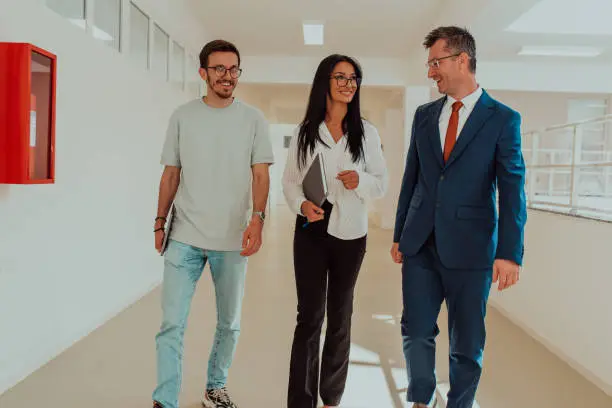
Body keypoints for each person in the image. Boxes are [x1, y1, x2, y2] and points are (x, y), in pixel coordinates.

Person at [391, 26, 527, 408]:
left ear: (462, 60)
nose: (430, 72)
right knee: (415, 330)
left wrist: (510, 252)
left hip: (472, 249)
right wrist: (400, 233)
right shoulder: (424, 115)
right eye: (429, 64)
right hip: (420, 243)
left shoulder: (502, 119)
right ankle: (420, 399)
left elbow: (513, 189)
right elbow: (412, 177)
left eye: (436, 63)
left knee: (466, 341)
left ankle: (460, 403)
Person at [151, 39, 274, 408]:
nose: (227, 76)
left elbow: (261, 175)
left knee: (229, 324)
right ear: (203, 73)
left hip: (233, 238)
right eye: (219, 68)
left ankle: (214, 388)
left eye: (233, 69)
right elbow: (171, 175)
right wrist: (159, 222)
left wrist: (259, 218)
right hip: (184, 236)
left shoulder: (253, 119)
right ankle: (165, 400)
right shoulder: (182, 116)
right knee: (171, 324)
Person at [282, 54, 388, 408]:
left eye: (353, 77)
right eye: (340, 77)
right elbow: (291, 183)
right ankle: (301, 401)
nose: (347, 84)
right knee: (309, 317)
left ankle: (332, 398)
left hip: (351, 233)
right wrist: (301, 206)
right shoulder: (305, 131)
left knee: (340, 316)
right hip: (312, 227)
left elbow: (381, 184)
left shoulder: (367, 133)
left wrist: (361, 180)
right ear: (324, 82)